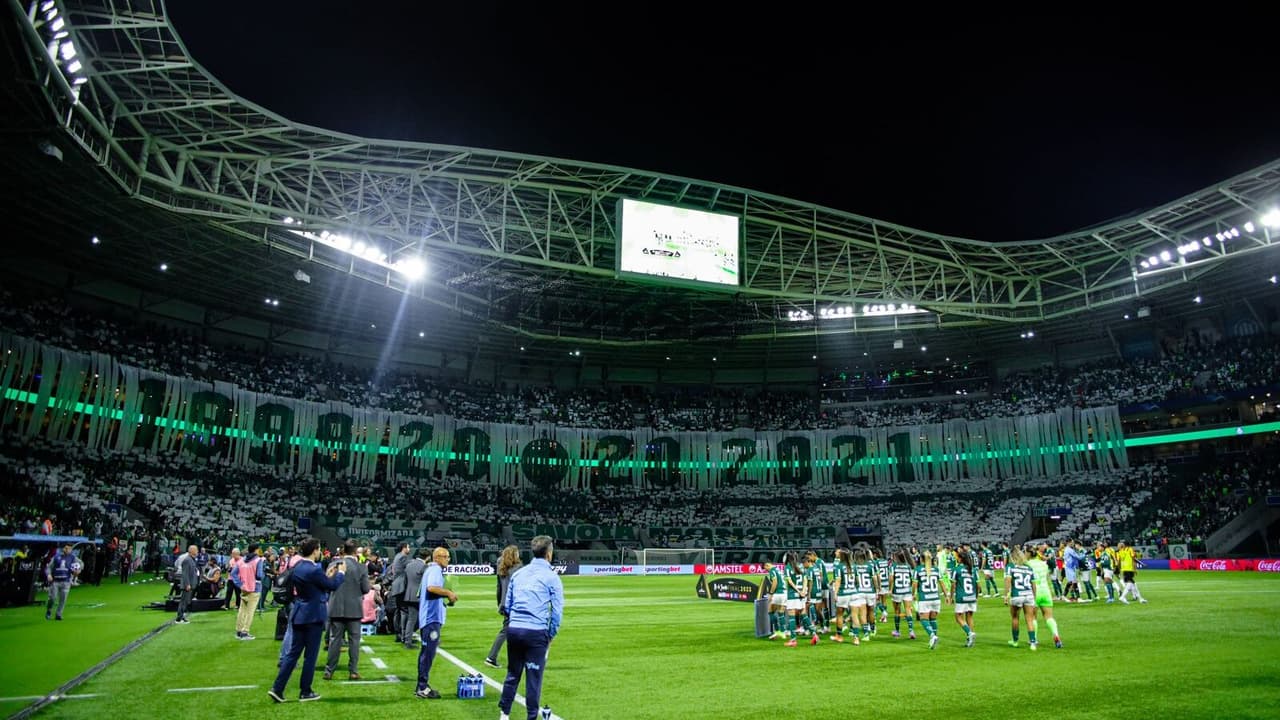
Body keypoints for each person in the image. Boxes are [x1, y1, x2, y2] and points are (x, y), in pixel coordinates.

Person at [269, 537, 345, 703]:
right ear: (315, 550)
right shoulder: (313, 569)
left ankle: (277, 688)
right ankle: (305, 691)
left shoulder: (298, 567)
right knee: (310, 656)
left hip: (299, 612)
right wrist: (341, 574)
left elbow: (318, 584)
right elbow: (331, 586)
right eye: (318, 549)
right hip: (313, 615)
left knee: (292, 654)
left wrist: (327, 576)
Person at [498, 535, 564, 720]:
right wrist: (550, 635)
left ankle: (504, 715)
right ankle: (531, 717)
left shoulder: (519, 573)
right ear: (549, 554)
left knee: (513, 674)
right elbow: (557, 612)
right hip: (535, 633)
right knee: (534, 678)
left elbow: (507, 606)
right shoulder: (551, 577)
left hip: (514, 630)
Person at [324, 540, 371, 681]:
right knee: (354, 641)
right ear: (356, 551)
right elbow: (366, 589)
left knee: (334, 640)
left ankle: (329, 671)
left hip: (336, 607)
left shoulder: (334, 564)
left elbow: (327, 584)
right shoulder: (361, 567)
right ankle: (353, 671)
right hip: (354, 609)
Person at [414, 547, 457, 700]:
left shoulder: (432, 569)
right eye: (446, 557)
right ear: (438, 557)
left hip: (430, 617)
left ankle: (421, 686)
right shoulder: (435, 570)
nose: (448, 559)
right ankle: (422, 687)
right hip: (431, 619)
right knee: (428, 653)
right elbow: (431, 588)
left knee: (426, 653)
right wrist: (448, 593)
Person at [485, 545, 523, 667]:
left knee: (513, 631)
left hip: (505, 604)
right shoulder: (518, 569)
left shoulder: (502, 568)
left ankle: (518, 658)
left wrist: (500, 604)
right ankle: (491, 657)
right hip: (515, 604)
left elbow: (499, 588)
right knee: (508, 631)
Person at [1028, 544, 1063, 648]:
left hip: (1034, 592)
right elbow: (1047, 576)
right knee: (1049, 616)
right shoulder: (1044, 564)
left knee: (1033, 616)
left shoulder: (1028, 564)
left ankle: (1034, 639)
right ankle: (1056, 635)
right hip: (1045, 591)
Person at [1003, 547, 1039, 650]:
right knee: (1029, 619)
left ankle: (1015, 641)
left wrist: (1006, 595)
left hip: (1017, 595)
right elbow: (1034, 584)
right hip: (1028, 595)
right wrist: (1034, 597)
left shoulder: (1010, 567)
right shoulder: (1028, 568)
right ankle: (1032, 643)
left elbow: (1008, 581)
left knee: (1015, 618)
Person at [913, 549, 942, 649]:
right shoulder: (936, 569)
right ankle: (934, 638)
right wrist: (947, 595)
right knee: (933, 619)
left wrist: (913, 594)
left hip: (925, 598)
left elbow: (915, 584)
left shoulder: (918, 570)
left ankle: (932, 636)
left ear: (921, 559)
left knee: (923, 619)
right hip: (935, 597)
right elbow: (941, 583)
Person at [235, 544, 265, 640]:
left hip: (244, 588)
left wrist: (240, 584)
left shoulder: (241, 560)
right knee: (250, 611)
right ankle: (245, 632)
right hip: (254, 588)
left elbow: (233, 573)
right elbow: (259, 575)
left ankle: (239, 631)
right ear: (256, 550)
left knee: (242, 610)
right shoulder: (258, 560)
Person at [45, 543, 81, 620]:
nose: (66, 550)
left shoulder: (73, 558)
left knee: (63, 599)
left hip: (66, 581)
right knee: (52, 598)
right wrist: (48, 574)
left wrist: (78, 571)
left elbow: (80, 565)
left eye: (68, 548)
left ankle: (58, 614)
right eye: (65, 548)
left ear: (71, 550)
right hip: (55, 581)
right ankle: (49, 610)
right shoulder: (56, 557)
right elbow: (49, 567)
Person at [952, 549, 978, 647]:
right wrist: (976, 596)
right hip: (972, 596)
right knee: (970, 617)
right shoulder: (972, 569)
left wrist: (951, 596)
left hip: (962, 597)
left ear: (960, 559)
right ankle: (970, 640)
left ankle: (969, 633)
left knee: (958, 617)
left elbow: (953, 584)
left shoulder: (957, 569)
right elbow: (977, 585)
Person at [175, 545, 198, 624]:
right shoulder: (187, 560)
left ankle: (182, 616)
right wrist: (187, 584)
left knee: (186, 601)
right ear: (191, 551)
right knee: (183, 601)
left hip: (190, 584)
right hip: (187, 585)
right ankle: (179, 618)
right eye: (196, 550)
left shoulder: (191, 560)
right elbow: (185, 574)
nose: (197, 551)